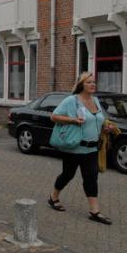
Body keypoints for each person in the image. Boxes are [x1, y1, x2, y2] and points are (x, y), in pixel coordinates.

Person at [48, 72, 114, 225]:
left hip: (91, 148)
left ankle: (94, 211)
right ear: (81, 85)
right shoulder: (72, 100)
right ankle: (53, 197)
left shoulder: (96, 100)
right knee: (67, 175)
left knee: (91, 177)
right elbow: (54, 116)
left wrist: (106, 128)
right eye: (89, 82)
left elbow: (99, 121)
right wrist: (73, 120)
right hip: (74, 147)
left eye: (94, 82)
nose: (93, 85)